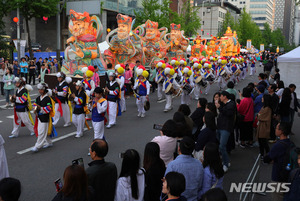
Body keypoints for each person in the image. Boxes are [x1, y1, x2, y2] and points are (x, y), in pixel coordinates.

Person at [165, 136, 204, 201]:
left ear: (179, 149)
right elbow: (200, 185)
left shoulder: (172, 165)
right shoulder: (199, 164)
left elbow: (167, 185)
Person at [264, 122, 292, 201]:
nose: (275, 130)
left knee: (277, 197)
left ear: (281, 131)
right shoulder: (290, 143)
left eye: (276, 128)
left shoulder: (278, 145)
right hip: (288, 176)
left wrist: (272, 160)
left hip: (278, 179)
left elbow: (266, 159)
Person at [216, 91, 236, 172]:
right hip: (220, 127)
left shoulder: (231, 104)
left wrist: (219, 107)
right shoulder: (224, 104)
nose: (220, 97)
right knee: (221, 146)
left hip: (226, 128)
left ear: (225, 97)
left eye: (220, 96)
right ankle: (226, 161)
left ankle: (225, 164)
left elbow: (228, 113)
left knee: (222, 146)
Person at [31, 83, 54, 152]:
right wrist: (35, 107)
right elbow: (35, 104)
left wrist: (40, 108)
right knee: (43, 131)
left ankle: (37, 146)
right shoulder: (38, 98)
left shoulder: (48, 99)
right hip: (39, 117)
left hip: (45, 117)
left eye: (41, 90)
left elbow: (49, 108)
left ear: (45, 90)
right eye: (39, 89)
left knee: (41, 132)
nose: (40, 91)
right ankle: (49, 142)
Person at [256, 94, 272, 159]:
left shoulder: (267, 108)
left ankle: (266, 155)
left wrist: (258, 115)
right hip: (262, 126)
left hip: (264, 127)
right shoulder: (265, 107)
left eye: (263, 98)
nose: (262, 99)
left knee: (263, 142)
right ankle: (262, 154)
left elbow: (260, 116)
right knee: (262, 142)